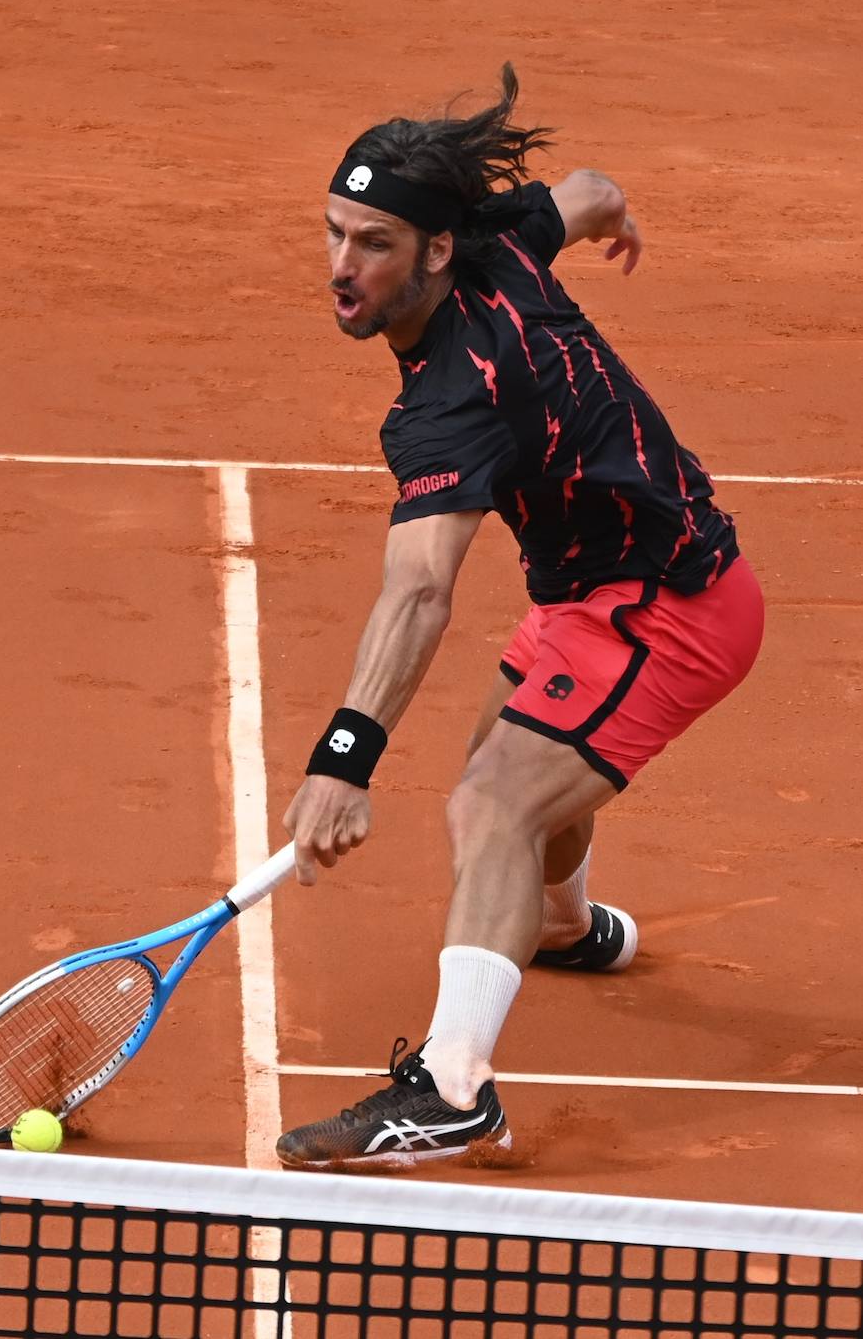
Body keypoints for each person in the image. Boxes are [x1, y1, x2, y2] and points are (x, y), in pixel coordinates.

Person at [276, 64, 765, 1171]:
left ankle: (453, 1091)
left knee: (492, 807)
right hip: (591, 591)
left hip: (672, 610)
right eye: (335, 234)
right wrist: (615, 217)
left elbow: (419, 590)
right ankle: (560, 928)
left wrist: (342, 762)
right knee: (511, 760)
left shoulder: (452, 403)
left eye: (374, 246)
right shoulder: (499, 241)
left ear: (435, 251)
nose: (343, 269)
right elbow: (587, 189)